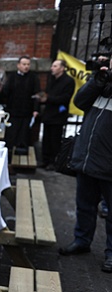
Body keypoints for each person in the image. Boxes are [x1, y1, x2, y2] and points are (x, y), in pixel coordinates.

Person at [58, 60, 112, 273]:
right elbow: (80, 101)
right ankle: (82, 240)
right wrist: (97, 80)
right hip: (89, 159)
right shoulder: (102, 83)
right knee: (85, 205)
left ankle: (111, 253)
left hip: (109, 164)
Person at [38, 59, 75, 170]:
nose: (51, 68)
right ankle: (45, 160)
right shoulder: (52, 79)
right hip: (49, 114)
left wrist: (48, 98)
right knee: (46, 139)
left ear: (62, 68)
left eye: (55, 66)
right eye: (52, 66)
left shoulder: (68, 81)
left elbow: (65, 98)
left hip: (58, 115)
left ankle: (53, 162)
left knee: (55, 139)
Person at [0, 55, 40, 156]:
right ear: (18, 65)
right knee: (11, 137)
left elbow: (37, 95)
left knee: (24, 136)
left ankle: (21, 157)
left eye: (28, 64)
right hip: (12, 112)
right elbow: (5, 93)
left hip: (26, 112)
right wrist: (0, 90)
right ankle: (9, 158)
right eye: (24, 64)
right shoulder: (12, 77)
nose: (26, 66)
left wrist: (36, 109)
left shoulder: (34, 78)